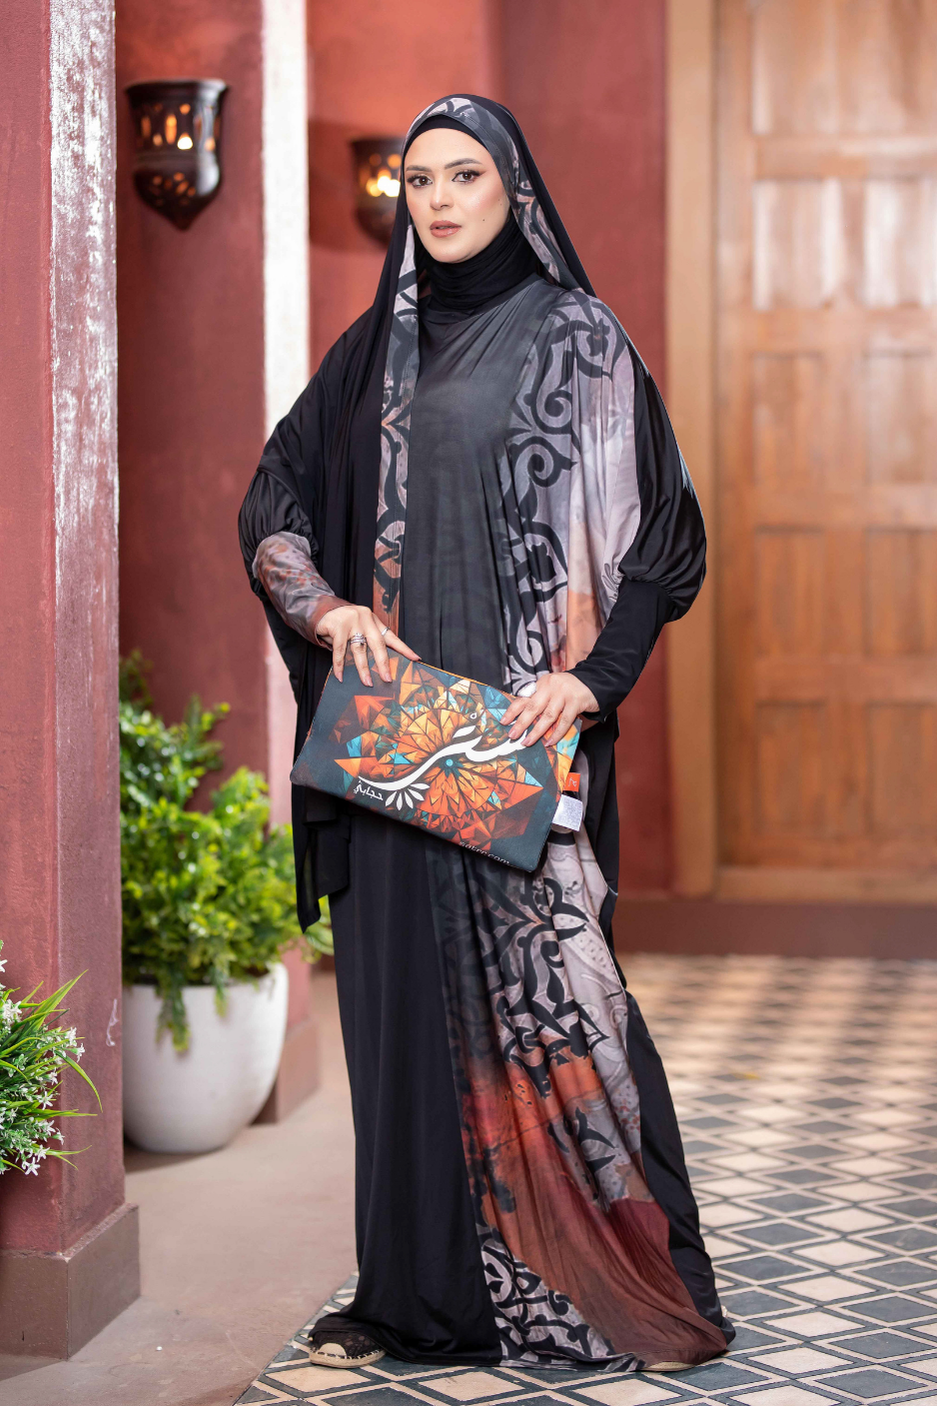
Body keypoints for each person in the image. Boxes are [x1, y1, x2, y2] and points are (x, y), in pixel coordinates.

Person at [239, 95, 733, 1375]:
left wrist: (593, 678)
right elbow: (273, 499)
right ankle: (432, 1293)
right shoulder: (374, 348)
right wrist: (330, 605)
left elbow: (659, 537)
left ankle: (593, 1269)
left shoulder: (579, 338)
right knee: (403, 1021)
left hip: (515, 743)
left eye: (466, 174)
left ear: (515, 186)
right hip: (401, 747)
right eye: (419, 179)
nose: (440, 198)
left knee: (567, 1006)